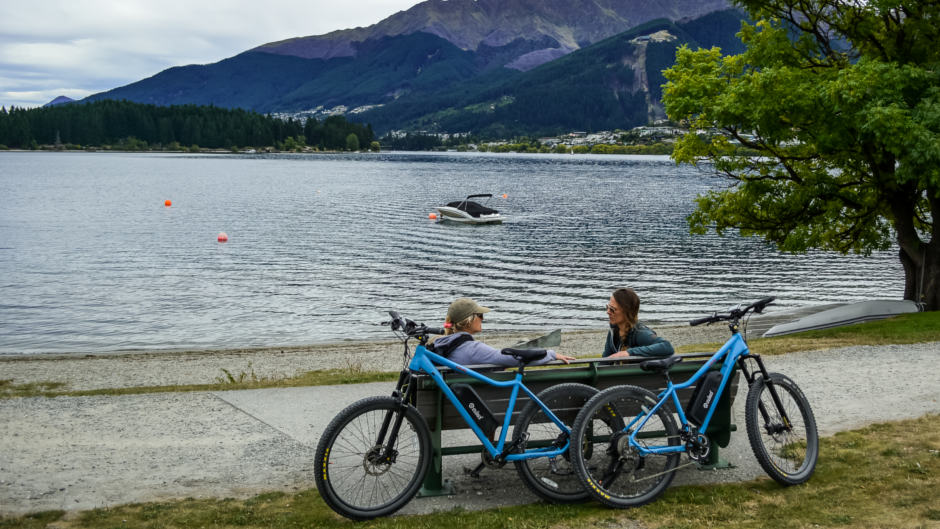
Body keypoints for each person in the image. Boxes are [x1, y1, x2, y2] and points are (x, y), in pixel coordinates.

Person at [430, 297, 576, 366]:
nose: (483, 319)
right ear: (469, 321)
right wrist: (551, 354)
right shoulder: (473, 349)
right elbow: (510, 358)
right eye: (480, 315)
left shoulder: (439, 344)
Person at [603, 288, 674, 358]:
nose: (608, 312)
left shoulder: (639, 332)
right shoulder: (613, 330)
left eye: (612, 309)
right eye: (608, 307)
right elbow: (605, 360)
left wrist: (629, 353)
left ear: (626, 312)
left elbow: (666, 346)